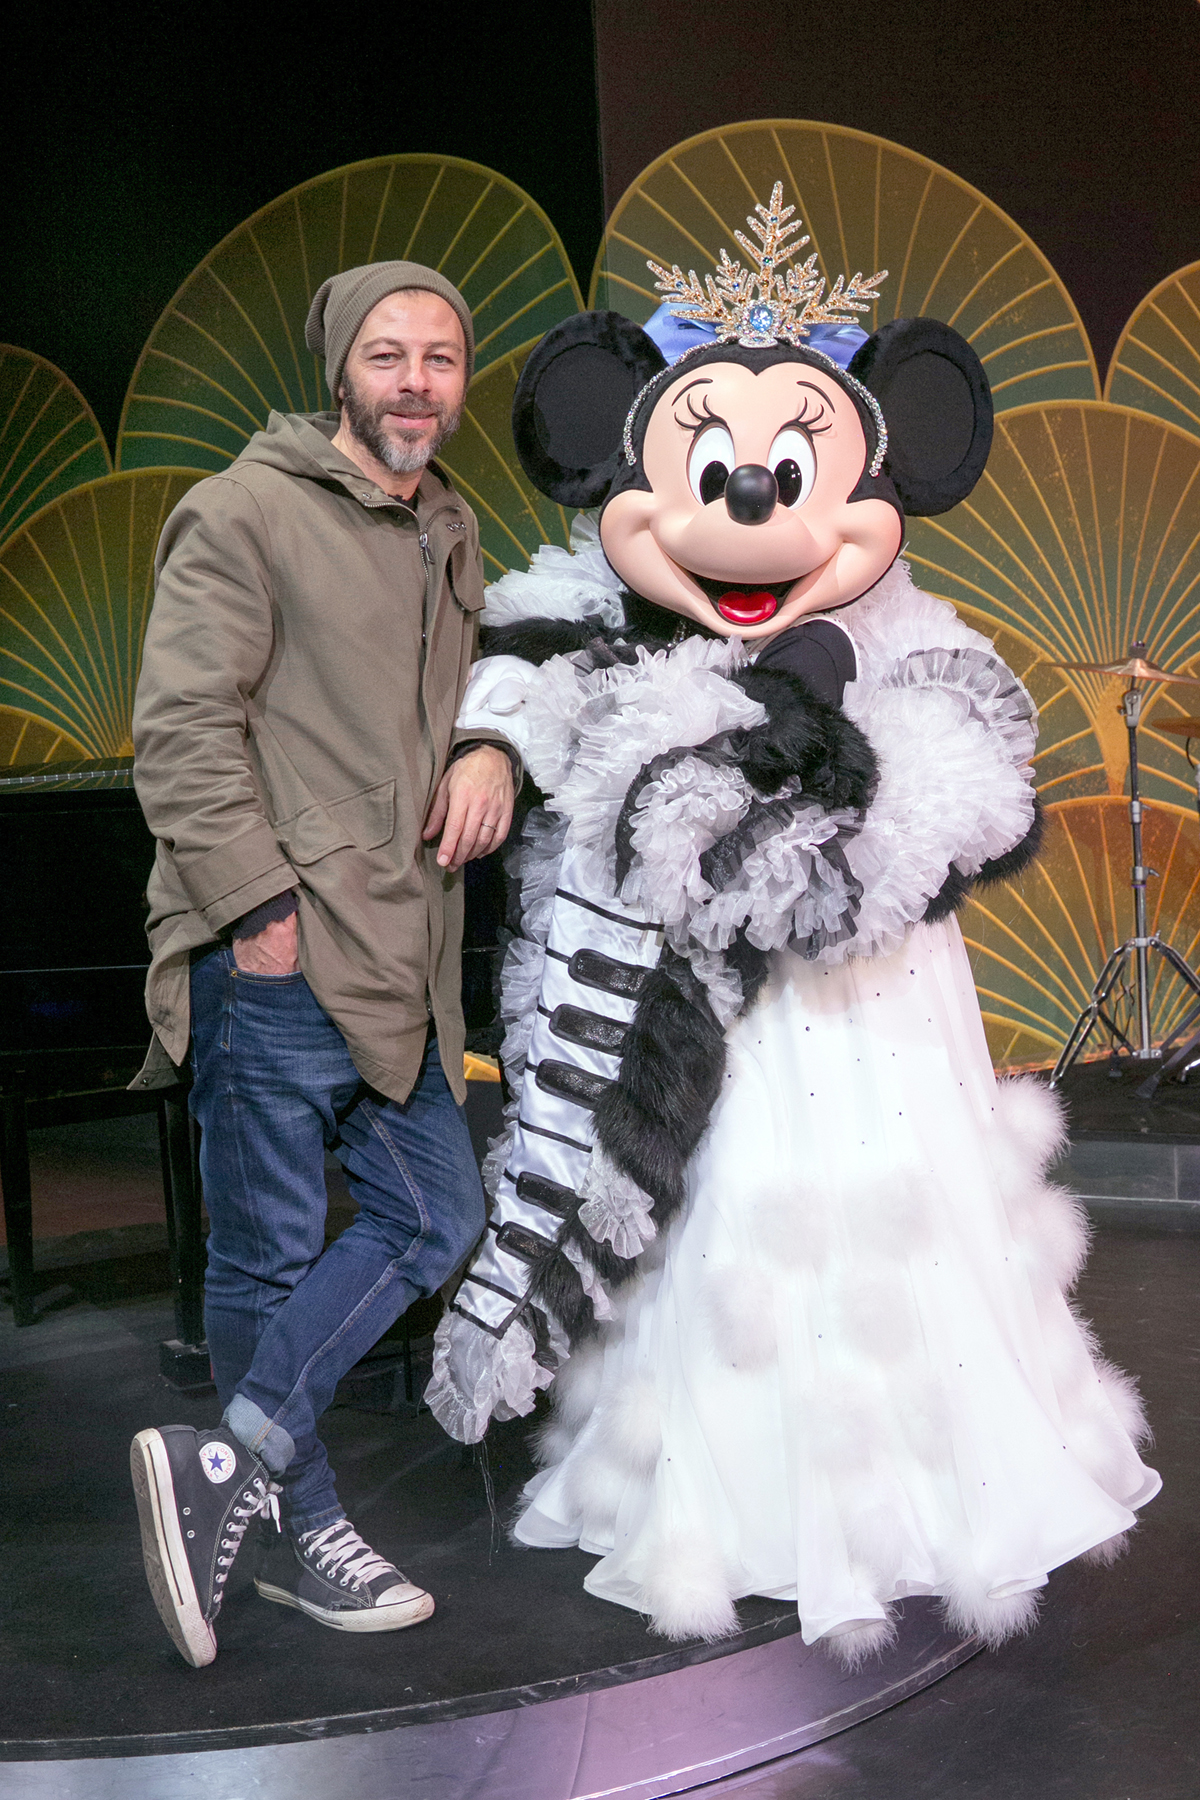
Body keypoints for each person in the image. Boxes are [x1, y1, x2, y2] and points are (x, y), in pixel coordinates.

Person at [127, 260, 516, 1668]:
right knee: (274, 1253)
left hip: (405, 956)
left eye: (442, 357)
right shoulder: (243, 513)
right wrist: (255, 916)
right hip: (284, 947)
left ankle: (225, 1459)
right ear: (338, 370)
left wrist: (496, 745)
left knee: (431, 1211)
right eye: (388, 354)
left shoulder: (453, 528)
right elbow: (180, 730)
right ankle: (307, 1532)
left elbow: (487, 689)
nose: (416, 379)